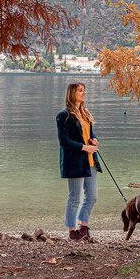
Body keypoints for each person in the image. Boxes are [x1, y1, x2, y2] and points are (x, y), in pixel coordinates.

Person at [56, 82, 102, 241]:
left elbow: (90, 133)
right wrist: (84, 147)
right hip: (75, 162)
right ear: (72, 93)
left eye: (84, 90)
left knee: (92, 197)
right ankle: (71, 230)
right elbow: (64, 141)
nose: (83, 93)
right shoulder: (64, 115)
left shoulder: (85, 113)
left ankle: (83, 226)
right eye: (80, 91)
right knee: (75, 197)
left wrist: (94, 140)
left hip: (90, 162)